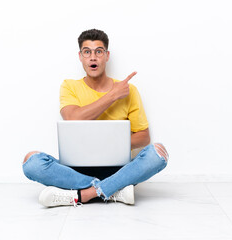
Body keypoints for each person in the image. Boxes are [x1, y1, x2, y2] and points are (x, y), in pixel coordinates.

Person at [22, 29, 168, 207]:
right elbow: (72, 118)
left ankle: (84, 194)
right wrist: (112, 96)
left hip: (119, 169)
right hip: (75, 171)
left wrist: (109, 145)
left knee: (158, 153)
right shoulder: (70, 86)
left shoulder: (129, 90)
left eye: (98, 51)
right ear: (80, 56)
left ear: (106, 56)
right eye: (87, 52)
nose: (93, 57)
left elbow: (144, 137)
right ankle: (113, 191)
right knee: (31, 162)